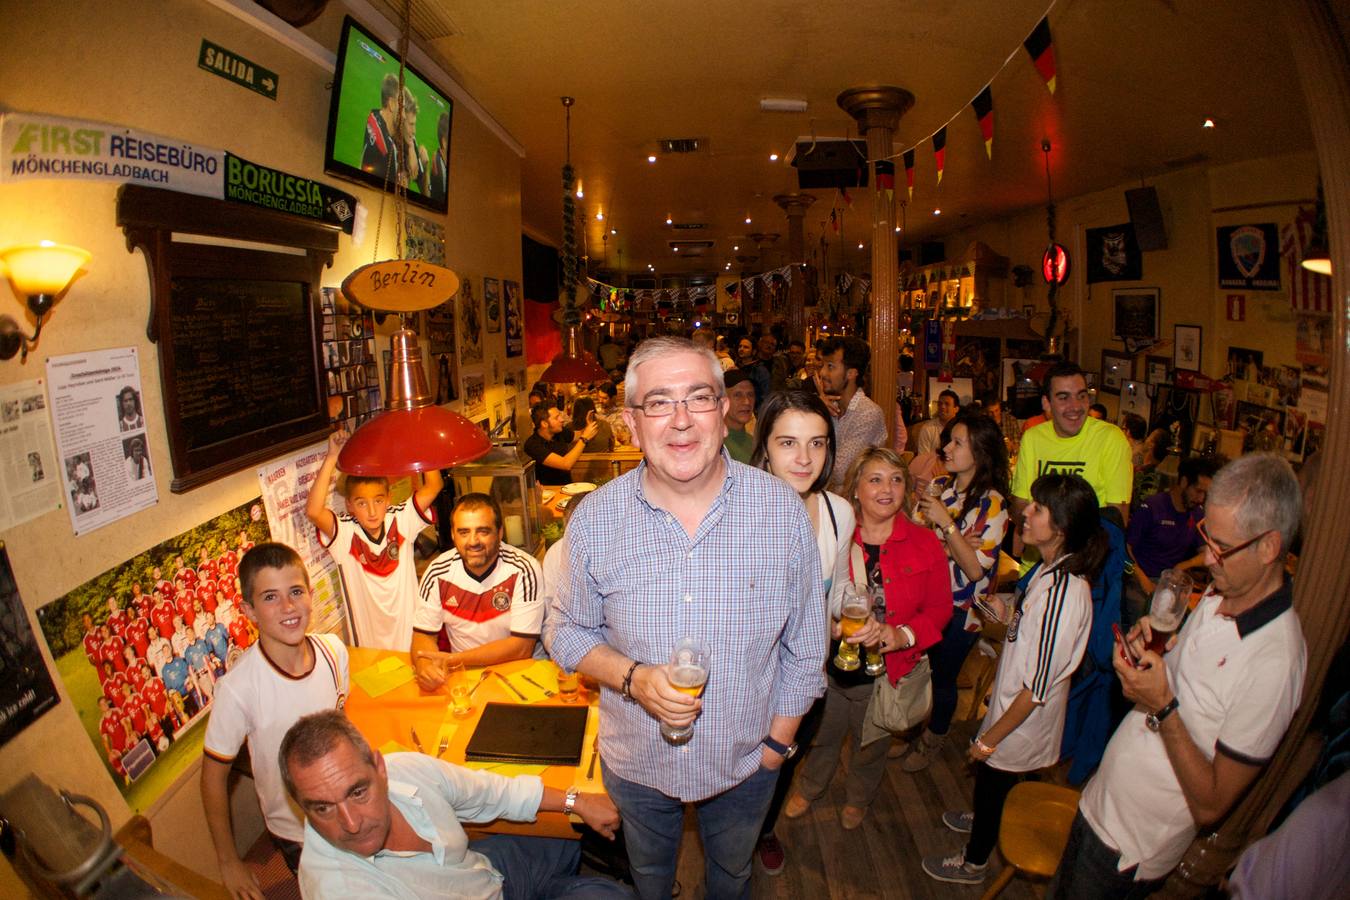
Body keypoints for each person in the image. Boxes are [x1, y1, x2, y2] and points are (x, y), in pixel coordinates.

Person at [549, 336, 825, 899]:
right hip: (637, 762)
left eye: (698, 398)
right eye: (658, 402)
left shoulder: (780, 512)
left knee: (733, 875)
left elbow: (806, 645)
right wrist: (633, 677)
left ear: (724, 411)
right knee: (650, 878)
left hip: (746, 759)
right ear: (631, 422)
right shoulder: (596, 520)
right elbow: (565, 629)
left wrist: (777, 745)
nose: (680, 420)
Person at [1049, 454, 1308, 899]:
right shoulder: (1221, 591)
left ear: (1269, 547)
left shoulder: (1277, 663)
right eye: (1208, 535)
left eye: (1222, 546)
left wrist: (1162, 704)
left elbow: (1211, 804)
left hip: (1130, 847)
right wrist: (1155, 647)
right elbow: (1189, 676)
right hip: (1101, 801)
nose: (1207, 556)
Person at [924, 473, 1101, 885]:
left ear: (1061, 527)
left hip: (1020, 722)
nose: (1027, 512)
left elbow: (1036, 690)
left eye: (1038, 509)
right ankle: (988, 816)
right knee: (993, 782)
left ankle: (974, 862)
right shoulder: (1046, 570)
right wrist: (1003, 615)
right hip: (1009, 709)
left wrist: (989, 739)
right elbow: (1030, 637)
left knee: (993, 777)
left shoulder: (1063, 593)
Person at [279, 711, 629, 899]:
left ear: (380, 768)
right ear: (302, 808)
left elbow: (492, 792)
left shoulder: (406, 768)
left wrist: (576, 800)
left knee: (567, 837)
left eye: (358, 792)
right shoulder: (339, 890)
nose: (351, 823)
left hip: (486, 873)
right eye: (323, 808)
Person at [786, 447, 952, 830]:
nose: (886, 489)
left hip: (885, 672)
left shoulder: (925, 543)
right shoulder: (833, 534)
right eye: (875, 479)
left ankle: (859, 797)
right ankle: (810, 787)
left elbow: (940, 610)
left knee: (871, 743)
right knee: (822, 736)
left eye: (896, 480)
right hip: (827, 665)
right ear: (856, 489)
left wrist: (903, 634)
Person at [201, 543, 350, 897]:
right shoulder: (238, 689)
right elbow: (212, 779)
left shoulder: (333, 651)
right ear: (248, 610)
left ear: (311, 595)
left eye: (296, 591)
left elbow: (343, 723)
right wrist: (228, 860)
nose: (288, 607)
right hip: (298, 832)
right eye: (270, 597)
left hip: (346, 810)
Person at [748, 389, 855, 875]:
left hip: (808, 676)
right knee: (739, 772)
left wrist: (852, 616)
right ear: (763, 444)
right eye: (788, 442)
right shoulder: (738, 514)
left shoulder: (839, 512)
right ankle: (735, 839)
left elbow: (840, 586)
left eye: (817, 443)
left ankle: (764, 828)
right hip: (746, 677)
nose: (805, 458)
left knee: (785, 761)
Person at [901, 413, 1011, 771]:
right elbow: (913, 544)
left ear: (979, 453)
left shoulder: (992, 505)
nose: (945, 448)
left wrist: (947, 526)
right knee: (917, 669)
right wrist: (955, 545)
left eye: (957, 443)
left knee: (942, 676)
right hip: (926, 597)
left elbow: (975, 569)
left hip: (962, 610)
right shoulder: (942, 487)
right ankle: (911, 729)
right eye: (949, 441)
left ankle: (934, 737)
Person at [307, 429, 442, 650]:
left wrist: (420, 436)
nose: (372, 511)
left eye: (378, 501)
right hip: (370, 649)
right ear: (349, 505)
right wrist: (332, 456)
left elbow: (434, 485)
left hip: (411, 641)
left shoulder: (402, 518)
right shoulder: (345, 533)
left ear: (388, 499)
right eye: (361, 503)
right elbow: (313, 511)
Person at [411, 493, 544, 690]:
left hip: (519, 674)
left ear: (500, 533)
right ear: (453, 534)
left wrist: (453, 660)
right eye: (464, 532)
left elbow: (521, 647)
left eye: (483, 531)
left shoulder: (524, 568)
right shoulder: (437, 571)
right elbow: (422, 635)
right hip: (465, 677)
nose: (473, 541)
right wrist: (424, 665)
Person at [1011, 362, 1133, 526]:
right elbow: (1020, 503)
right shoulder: (1033, 437)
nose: (1075, 406)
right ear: (1047, 403)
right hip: (1043, 549)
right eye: (1063, 397)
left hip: (1091, 549)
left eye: (1081, 396)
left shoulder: (1111, 438)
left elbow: (1117, 519)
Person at [1123, 456, 1217, 626]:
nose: (1201, 499)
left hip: (1172, 583)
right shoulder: (1152, 508)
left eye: (1205, 494)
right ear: (1183, 482)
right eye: (1198, 491)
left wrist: (1183, 566)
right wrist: (1142, 579)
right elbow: (1124, 550)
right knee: (1147, 621)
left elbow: (1206, 554)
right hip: (1141, 580)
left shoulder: (1197, 514)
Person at [814, 335, 888, 493]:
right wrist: (816, 413)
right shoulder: (826, 407)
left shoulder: (868, 413)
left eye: (830, 366)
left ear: (852, 373)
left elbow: (841, 472)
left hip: (856, 508)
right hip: (827, 501)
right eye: (823, 365)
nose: (822, 373)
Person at [523, 404, 599, 486]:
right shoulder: (533, 445)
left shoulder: (558, 432)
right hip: (548, 491)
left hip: (566, 486)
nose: (562, 419)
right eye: (556, 418)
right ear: (544, 424)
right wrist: (584, 439)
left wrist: (588, 426)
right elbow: (565, 464)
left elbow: (578, 434)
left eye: (560, 415)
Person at [721, 369, 757, 464]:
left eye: (750, 395)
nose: (747, 402)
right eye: (737, 395)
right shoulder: (718, 446)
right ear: (722, 401)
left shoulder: (754, 443)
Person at [913, 389, 960, 456]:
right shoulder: (928, 429)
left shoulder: (961, 429)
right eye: (940, 404)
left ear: (956, 409)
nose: (942, 407)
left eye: (947, 404)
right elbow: (923, 459)